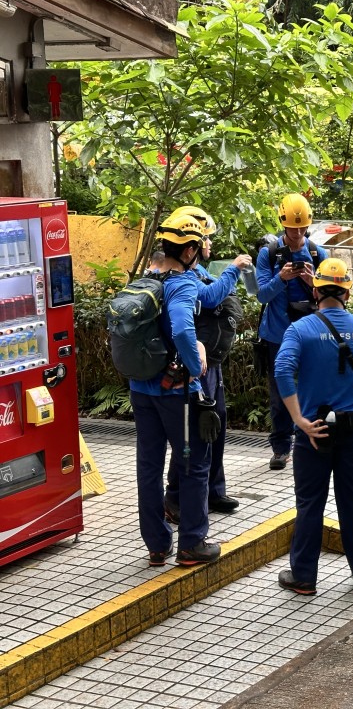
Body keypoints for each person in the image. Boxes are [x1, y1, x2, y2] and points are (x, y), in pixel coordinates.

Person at [275, 258, 353, 594]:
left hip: (315, 430)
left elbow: (282, 371)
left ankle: (304, 577)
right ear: (347, 292)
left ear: (316, 290)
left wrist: (298, 420)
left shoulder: (301, 329)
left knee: (310, 502)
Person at [131, 212, 220, 567]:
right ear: (189, 251)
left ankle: (156, 544)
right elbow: (183, 331)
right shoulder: (181, 283)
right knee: (194, 464)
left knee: (149, 466)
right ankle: (192, 544)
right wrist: (195, 359)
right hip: (176, 394)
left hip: (142, 389)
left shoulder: (147, 277)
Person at [163, 206, 251, 522]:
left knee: (217, 422)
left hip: (211, 361)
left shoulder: (195, 272)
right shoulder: (183, 279)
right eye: (206, 239)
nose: (210, 244)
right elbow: (213, 297)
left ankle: (214, 491)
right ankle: (174, 498)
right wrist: (234, 269)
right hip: (196, 366)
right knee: (195, 432)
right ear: (192, 245)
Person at [255, 193, 324, 471]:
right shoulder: (268, 254)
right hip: (277, 334)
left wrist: (312, 282)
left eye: (302, 228)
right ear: (283, 225)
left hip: (309, 334)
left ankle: (308, 441)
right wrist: (281, 278)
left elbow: (329, 298)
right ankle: (281, 448)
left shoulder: (319, 253)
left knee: (310, 388)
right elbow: (262, 295)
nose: (297, 234)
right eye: (292, 228)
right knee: (279, 393)